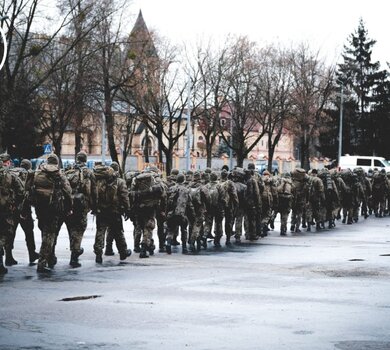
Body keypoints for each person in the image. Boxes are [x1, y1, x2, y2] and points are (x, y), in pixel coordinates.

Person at [24, 153, 73, 273]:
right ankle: (42, 263)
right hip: (54, 208)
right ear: (56, 162)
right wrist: (69, 207)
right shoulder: (59, 173)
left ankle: (50, 257)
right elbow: (68, 191)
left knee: (44, 232)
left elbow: (27, 188)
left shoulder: (38, 172)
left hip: (39, 207)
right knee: (49, 235)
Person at [59, 151, 97, 268]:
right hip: (82, 206)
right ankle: (74, 256)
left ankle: (71, 250)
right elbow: (94, 191)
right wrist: (94, 206)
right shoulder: (88, 172)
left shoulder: (68, 170)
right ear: (85, 160)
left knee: (71, 228)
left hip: (69, 205)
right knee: (79, 230)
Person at [93, 162, 131, 263]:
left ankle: (98, 253)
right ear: (117, 170)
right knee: (118, 231)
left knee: (100, 231)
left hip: (101, 210)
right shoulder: (120, 181)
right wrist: (127, 209)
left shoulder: (100, 180)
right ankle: (123, 252)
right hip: (115, 211)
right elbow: (124, 196)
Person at [8, 159, 39, 265]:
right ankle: (32, 254)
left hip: (11, 207)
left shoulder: (11, 172)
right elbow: (31, 192)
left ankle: (8, 256)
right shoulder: (29, 175)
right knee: (29, 231)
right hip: (24, 208)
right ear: (29, 167)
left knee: (11, 232)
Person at [0, 155, 24, 274]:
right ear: (8, 163)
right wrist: (15, 204)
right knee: (5, 233)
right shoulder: (10, 175)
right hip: (5, 210)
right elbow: (21, 192)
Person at [165, 173, 195, 254]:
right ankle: (184, 247)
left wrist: (166, 213)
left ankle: (168, 243)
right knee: (184, 230)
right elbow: (189, 204)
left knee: (171, 229)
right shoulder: (186, 190)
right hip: (182, 214)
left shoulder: (171, 189)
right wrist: (192, 214)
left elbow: (166, 202)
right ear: (183, 180)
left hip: (171, 213)